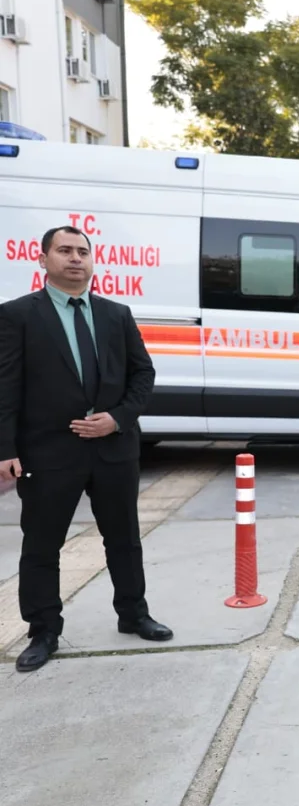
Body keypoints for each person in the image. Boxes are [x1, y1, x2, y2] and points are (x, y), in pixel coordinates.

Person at [0, 226, 173, 673]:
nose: (75, 258)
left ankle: (133, 614)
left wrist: (117, 418)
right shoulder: (17, 316)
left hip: (114, 449)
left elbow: (143, 375)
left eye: (82, 251)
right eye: (64, 251)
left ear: (92, 260)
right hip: (48, 453)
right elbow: (6, 388)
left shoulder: (116, 314)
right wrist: (5, 450)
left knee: (124, 539)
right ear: (43, 259)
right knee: (42, 546)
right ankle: (43, 631)